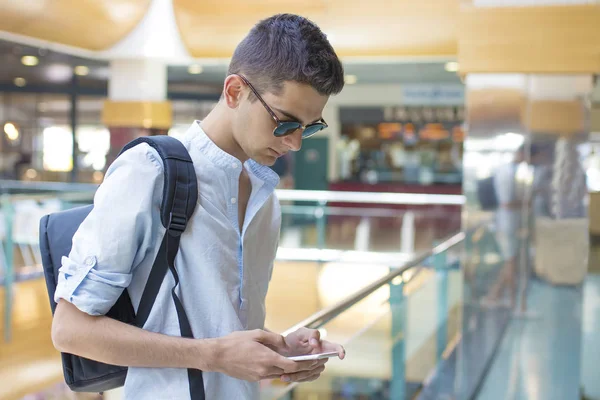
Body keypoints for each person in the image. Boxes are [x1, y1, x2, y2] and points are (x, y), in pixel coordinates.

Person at [51, 14, 346, 400]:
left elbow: (220, 326)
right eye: (284, 122)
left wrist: (278, 349)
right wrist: (212, 356)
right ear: (235, 91)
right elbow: (70, 330)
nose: (295, 144)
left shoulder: (264, 197)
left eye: (308, 127)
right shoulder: (151, 172)